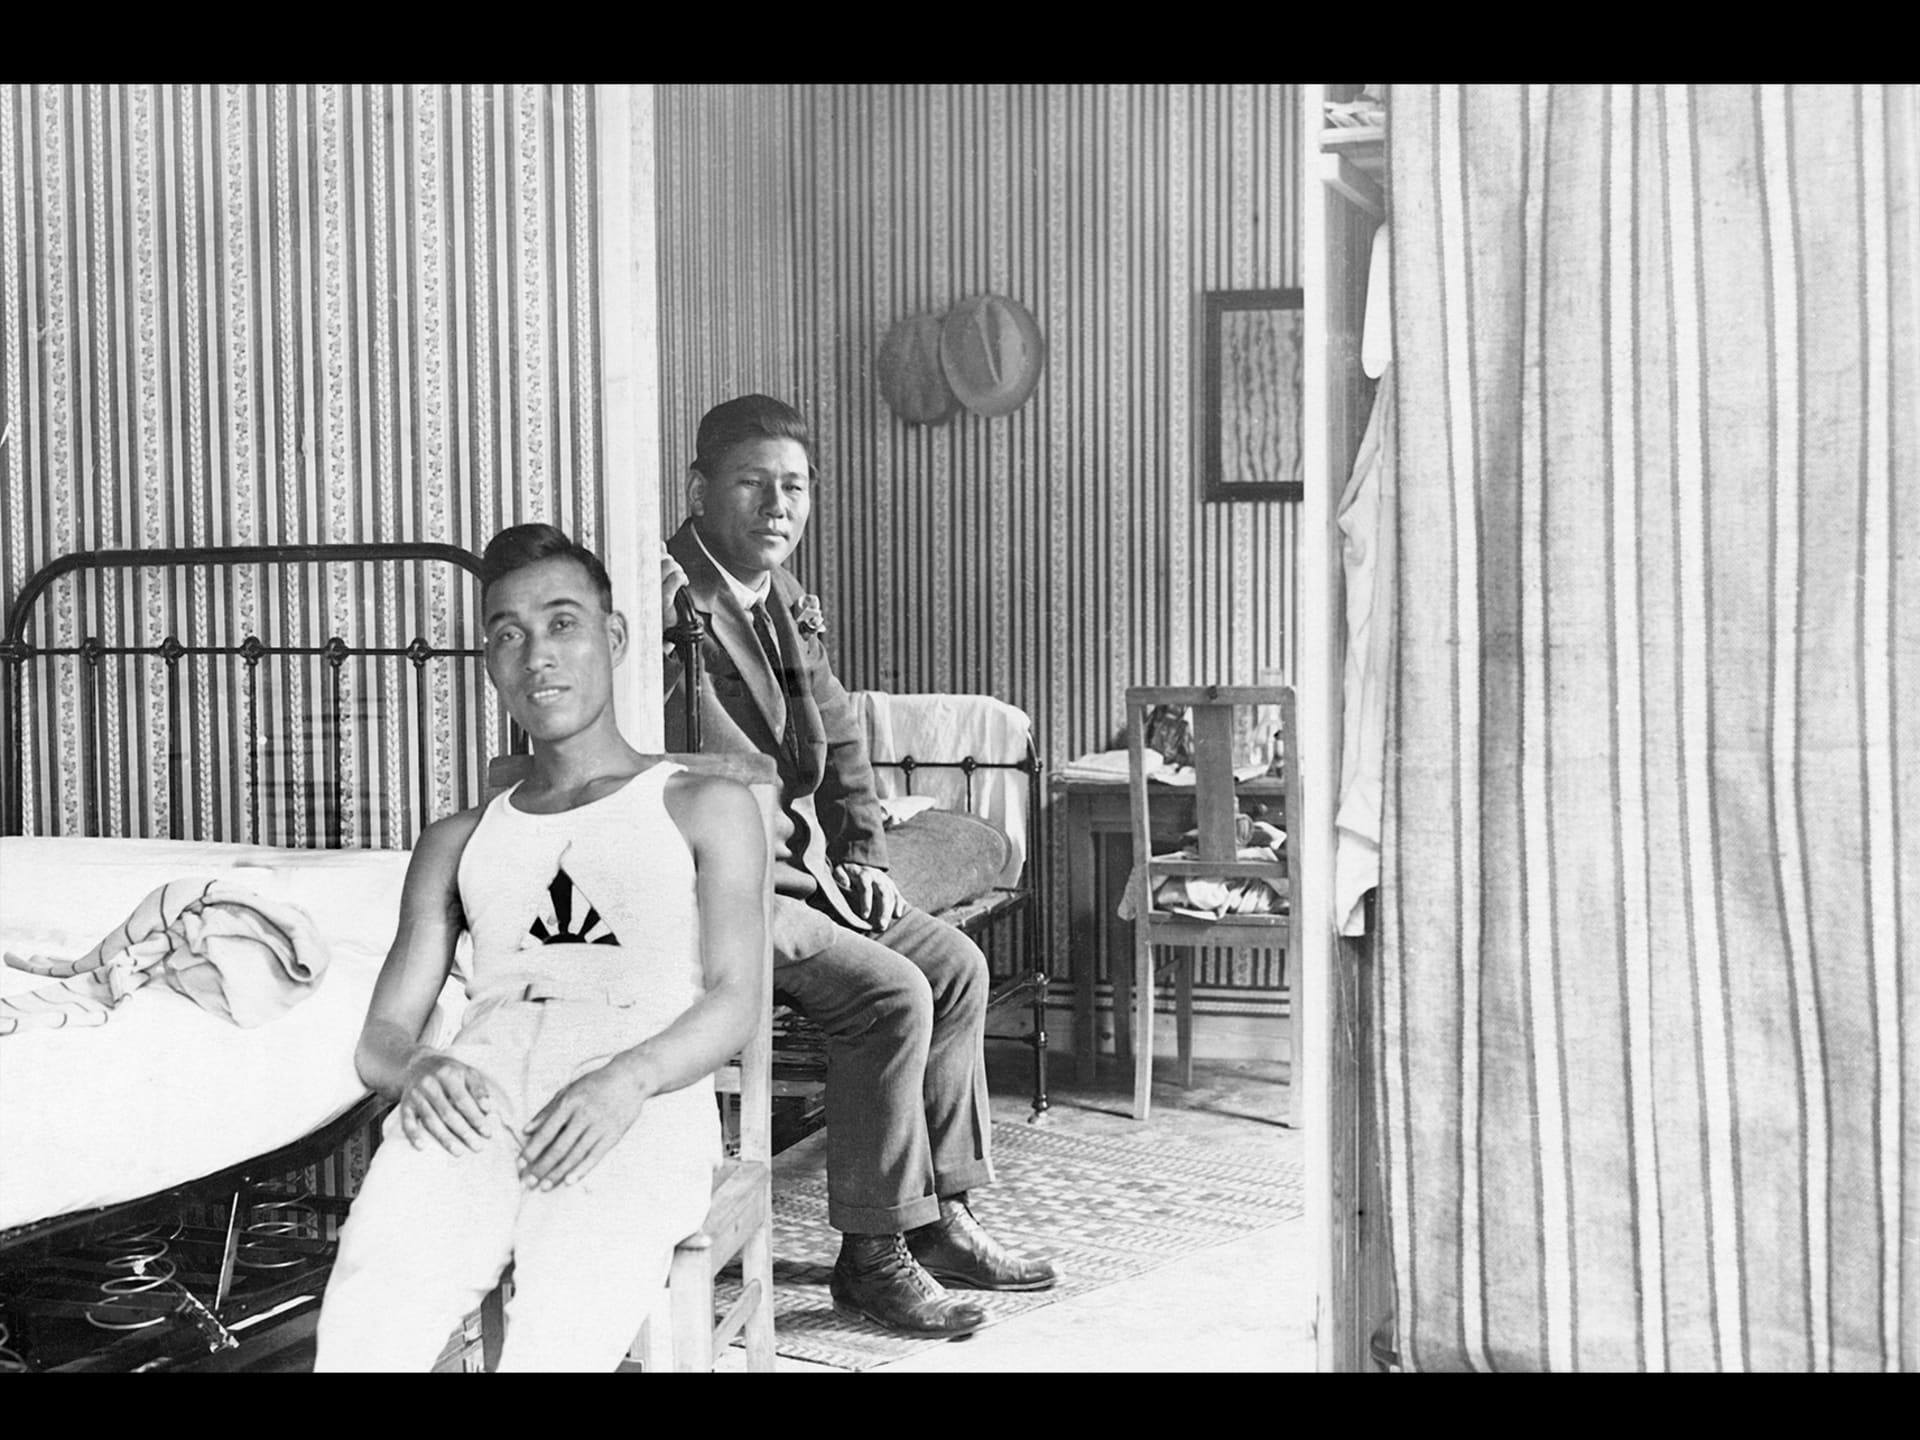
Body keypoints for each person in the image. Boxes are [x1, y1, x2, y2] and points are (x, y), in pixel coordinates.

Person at [313, 524, 768, 1373]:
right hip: (480, 1092)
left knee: (560, 1335)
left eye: (563, 623)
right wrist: (418, 1068)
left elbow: (737, 1000)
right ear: (490, 661)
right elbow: (382, 1037)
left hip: (637, 1092)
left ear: (614, 636)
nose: (537, 657)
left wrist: (624, 1081)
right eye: (508, 635)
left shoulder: (703, 806)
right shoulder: (457, 839)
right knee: (369, 1321)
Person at [662, 394, 1058, 1338]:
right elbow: (709, 780)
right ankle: (872, 1255)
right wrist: (813, 874)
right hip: (722, 888)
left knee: (956, 967)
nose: (776, 506)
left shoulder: (785, 600)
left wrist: (862, 852)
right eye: (754, 483)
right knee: (892, 997)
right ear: (701, 488)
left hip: (804, 869)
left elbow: (840, 742)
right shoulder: (674, 601)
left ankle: (938, 1215)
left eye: (794, 487)